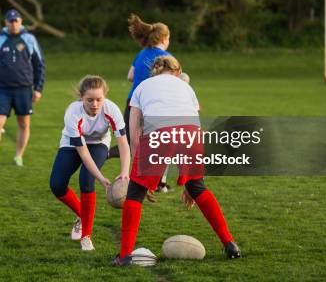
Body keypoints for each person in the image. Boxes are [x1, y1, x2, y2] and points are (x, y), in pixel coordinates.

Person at [112, 56, 241, 266]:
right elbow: (194, 124)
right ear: (177, 70)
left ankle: (125, 255)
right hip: (191, 134)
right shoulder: (185, 87)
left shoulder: (142, 86)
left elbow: (134, 133)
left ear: (154, 71)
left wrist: (142, 171)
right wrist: (190, 176)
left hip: (160, 133)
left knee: (135, 194)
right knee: (198, 187)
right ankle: (230, 243)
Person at [49, 76, 130, 251]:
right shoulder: (73, 113)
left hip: (99, 143)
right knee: (56, 185)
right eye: (89, 100)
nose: (95, 104)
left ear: (104, 97)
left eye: (99, 99)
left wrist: (125, 172)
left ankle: (86, 236)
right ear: (81, 98)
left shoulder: (111, 109)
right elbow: (83, 154)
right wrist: (102, 178)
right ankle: (82, 215)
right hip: (73, 144)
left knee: (86, 179)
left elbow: (123, 143)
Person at [107, 14, 175, 195]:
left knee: (131, 142)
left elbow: (130, 76)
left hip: (133, 101)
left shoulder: (142, 53)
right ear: (164, 38)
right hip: (155, 105)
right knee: (161, 142)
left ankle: (105, 153)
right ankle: (159, 183)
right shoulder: (167, 58)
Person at [0, 9, 45, 168]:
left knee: (24, 124)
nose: (13, 23)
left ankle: (18, 157)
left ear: (21, 21)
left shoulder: (29, 39)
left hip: (24, 89)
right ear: (6, 22)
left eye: (16, 20)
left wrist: (38, 88)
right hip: (2, 89)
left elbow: (39, 65)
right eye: (10, 21)